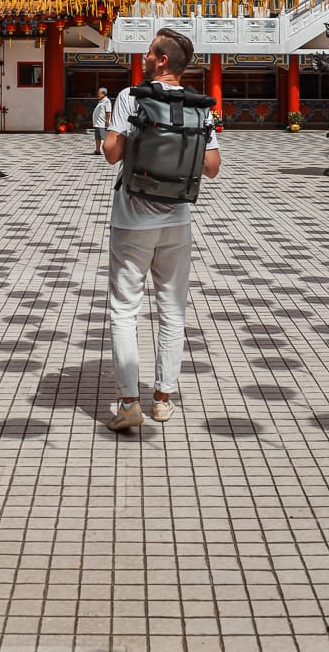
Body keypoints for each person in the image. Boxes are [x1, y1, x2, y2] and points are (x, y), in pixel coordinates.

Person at [102, 28, 220, 431]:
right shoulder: (199, 106)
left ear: (162, 61)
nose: (145, 57)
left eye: (150, 52)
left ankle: (129, 403)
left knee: (124, 310)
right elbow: (212, 167)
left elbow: (110, 154)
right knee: (172, 312)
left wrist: (119, 132)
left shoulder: (130, 97)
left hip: (133, 219)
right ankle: (163, 399)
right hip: (177, 221)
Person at [91, 87, 111, 155]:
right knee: (97, 138)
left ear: (103, 94)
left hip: (102, 123)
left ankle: (109, 151)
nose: (98, 94)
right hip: (97, 123)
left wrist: (107, 121)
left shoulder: (107, 101)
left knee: (105, 138)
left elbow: (108, 112)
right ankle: (97, 150)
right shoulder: (101, 101)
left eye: (99, 93)